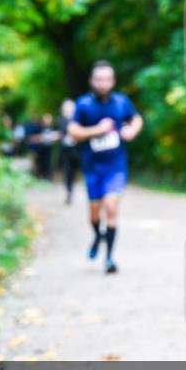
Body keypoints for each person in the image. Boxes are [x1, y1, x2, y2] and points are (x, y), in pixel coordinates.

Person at [68, 61, 143, 274]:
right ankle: (97, 236)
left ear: (113, 81)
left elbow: (136, 119)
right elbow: (73, 132)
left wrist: (132, 131)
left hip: (115, 166)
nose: (103, 84)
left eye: (107, 79)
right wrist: (97, 130)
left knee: (111, 208)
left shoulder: (121, 102)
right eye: (99, 79)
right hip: (92, 167)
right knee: (94, 215)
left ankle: (109, 258)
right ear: (92, 81)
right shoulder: (83, 105)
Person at [56, 99, 79, 204]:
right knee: (67, 171)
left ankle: (72, 188)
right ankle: (69, 191)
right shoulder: (61, 120)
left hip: (77, 149)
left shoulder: (77, 119)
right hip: (66, 150)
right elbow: (61, 132)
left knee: (74, 171)